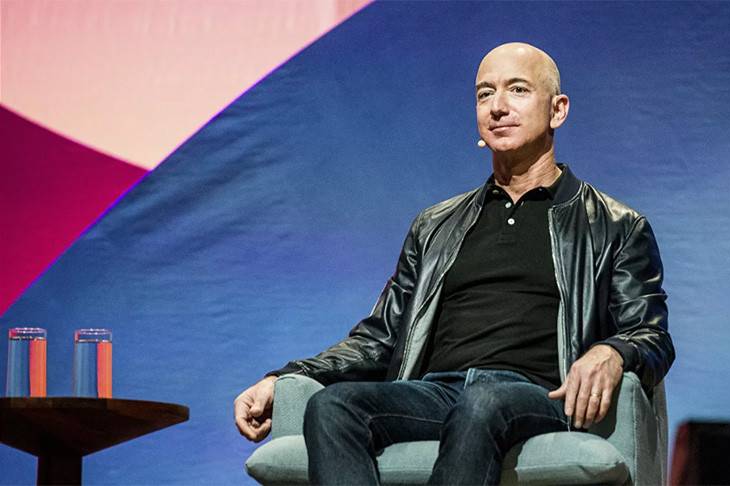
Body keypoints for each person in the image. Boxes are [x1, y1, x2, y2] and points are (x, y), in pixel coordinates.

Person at [235, 42, 674, 485]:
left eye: (518, 90)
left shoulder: (615, 225)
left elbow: (650, 334)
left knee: (482, 403)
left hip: (537, 394)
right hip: (438, 390)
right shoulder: (436, 225)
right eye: (485, 94)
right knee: (333, 405)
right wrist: (287, 376)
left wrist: (612, 351)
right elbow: (378, 337)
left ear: (557, 110)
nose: (498, 106)